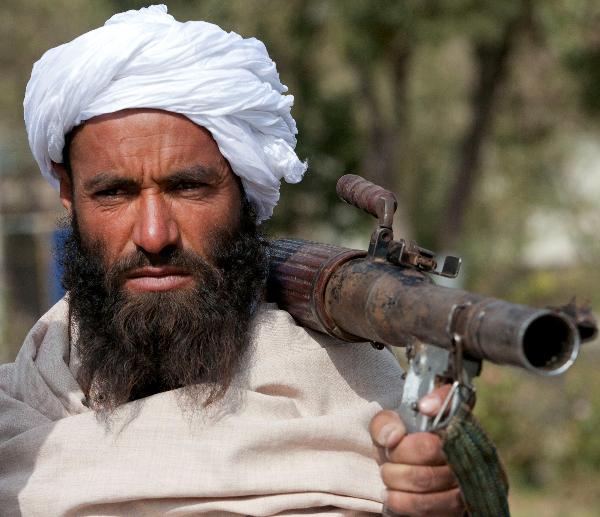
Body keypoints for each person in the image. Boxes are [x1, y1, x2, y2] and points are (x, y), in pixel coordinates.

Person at [0, 6, 467, 517]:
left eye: (188, 188)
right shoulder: (21, 410)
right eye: (115, 192)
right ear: (69, 195)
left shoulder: (361, 411)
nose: (154, 235)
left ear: (244, 192)